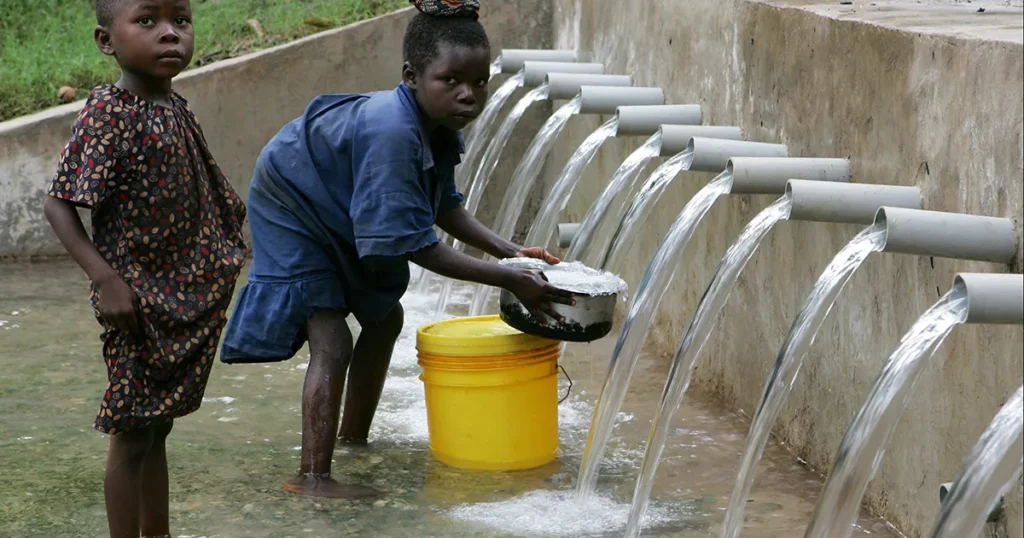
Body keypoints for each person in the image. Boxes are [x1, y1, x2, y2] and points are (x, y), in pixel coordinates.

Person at [219, 0, 573, 499]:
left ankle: (353, 439)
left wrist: (509, 251)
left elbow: (442, 208)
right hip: (292, 201)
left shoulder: (438, 125)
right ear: (411, 75)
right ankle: (313, 477)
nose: (468, 95)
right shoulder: (392, 132)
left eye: (478, 81)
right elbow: (417, 245)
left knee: (386, 318)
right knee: (333, 338)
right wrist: (507, 279)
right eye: (450, 80)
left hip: (332, 196)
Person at [42, 0, 247, 536]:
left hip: (177, 296)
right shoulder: (110, 111)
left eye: (181, 20)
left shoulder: (174, 106)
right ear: (106, 42)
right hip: (136, 303)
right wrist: (105, 280)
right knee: (131, 434)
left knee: (156, 430)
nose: (170, 35)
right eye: (148, 21)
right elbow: (59, 204)